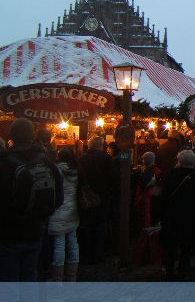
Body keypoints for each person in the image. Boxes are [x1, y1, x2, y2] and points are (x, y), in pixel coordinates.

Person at [0, 118, 64, 282]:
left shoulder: (5, 163)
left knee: (9, 279)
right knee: (30, 274)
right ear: (32, 136)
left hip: (8, 231)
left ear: (11, 136)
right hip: (36, 228)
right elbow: (58, 197)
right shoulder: (46, 161)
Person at [160, 150, 195, 281]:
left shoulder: (171, 176)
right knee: (185, 246)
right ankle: (182, 271)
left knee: (170, 246)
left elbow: (164, 196)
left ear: (179, 161)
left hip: (172, 215)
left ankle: (169, 272)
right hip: (190, 217)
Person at [78, 135, 118, 264]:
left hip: (86, 198)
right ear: (101, 146)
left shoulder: (82, 159)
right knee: (99, 226)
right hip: (102, 196)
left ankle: (85, 254)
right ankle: (97, 254)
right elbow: (114, 178)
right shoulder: (106, 159)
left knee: (86, 226)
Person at [47, 148, 80, 281]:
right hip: (72, 210)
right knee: (73, 242)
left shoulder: (55, 171)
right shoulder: (76, 171)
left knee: (59, 244)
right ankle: (72, 274)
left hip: (58, 211)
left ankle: (57, 276)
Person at [134, 152, 161, 230]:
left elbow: (143, 184)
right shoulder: (157, 170)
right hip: (152, 197)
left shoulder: (149, 171)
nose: (142, 161)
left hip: (145, 197)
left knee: (145, 218)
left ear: (145, 161)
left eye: (143, 159)